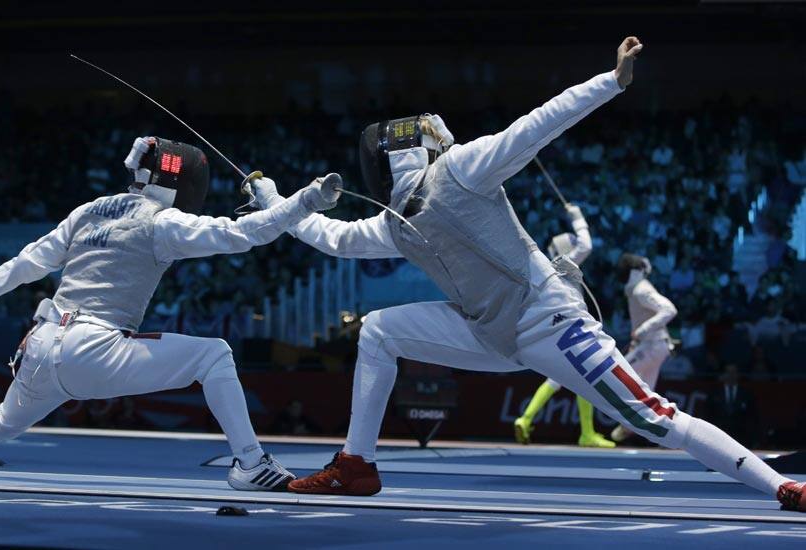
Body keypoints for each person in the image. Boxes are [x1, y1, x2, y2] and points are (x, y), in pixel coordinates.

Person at [248, 37, 805, 511]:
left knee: (652, 419)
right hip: (487, 332)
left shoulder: (461, 172)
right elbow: (334, 237)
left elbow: (536, 126)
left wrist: (609, 82)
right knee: (377, 330)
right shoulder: (398, 222)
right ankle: (356, 465)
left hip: (550, 321)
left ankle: (781, 485)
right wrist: (276, 202)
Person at [0, 136, 341, 493]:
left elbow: (28, 263)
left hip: (39, 343)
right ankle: (250, 463)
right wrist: (303, 200)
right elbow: (245, 235)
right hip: (95, 348)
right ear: (178, 183)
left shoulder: (89, 210)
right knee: (214, 355)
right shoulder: (163, 222)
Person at [513, 203, 616, 448]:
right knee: (588, 372)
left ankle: (526, 419)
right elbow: (586, 245)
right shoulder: (562, 264)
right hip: (572, 323)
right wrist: (578, 217)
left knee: (560, 377)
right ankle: (587, 434)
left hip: (553, 324)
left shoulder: (545, 270)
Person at [609, 253, 678, 443]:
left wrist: (642, 330)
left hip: (653, 346)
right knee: (645, 394)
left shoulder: (641, 290)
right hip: (653, 345)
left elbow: (669, 309)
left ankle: (630, 426)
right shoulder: (637, 289)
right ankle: (664, 432)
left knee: (617, 375)